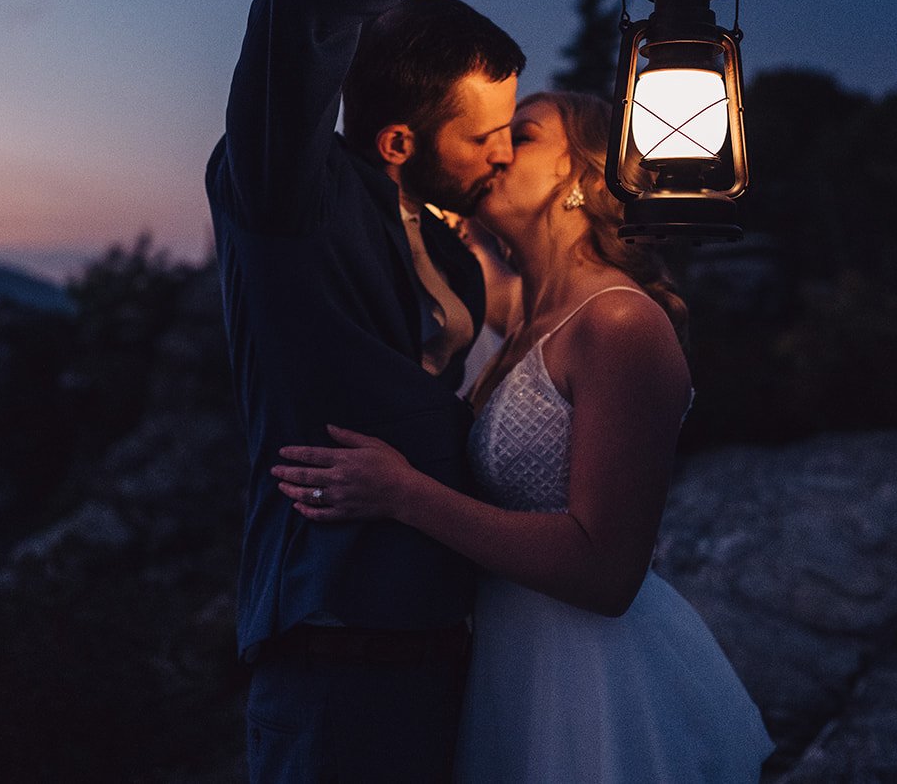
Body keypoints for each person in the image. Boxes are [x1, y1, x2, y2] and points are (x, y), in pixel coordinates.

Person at [207, 0, 691, 783]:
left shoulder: (462, 259)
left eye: (521, 132)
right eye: (488, 136)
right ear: (396, 142)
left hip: (463, 651)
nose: (505, 152)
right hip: (332, 639)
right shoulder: (289, 196)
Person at [272, 92, 776, 782]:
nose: (498, 148)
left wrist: (402, 493)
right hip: (504, 657)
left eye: (524, 135)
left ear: (584, 178)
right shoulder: (522, 314)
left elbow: (606, 572)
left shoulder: (620, 323)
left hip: (587, 678)